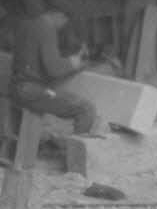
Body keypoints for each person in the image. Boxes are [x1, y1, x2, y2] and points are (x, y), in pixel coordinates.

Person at [9, 8, 101, 137]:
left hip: (18, 87)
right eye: (65, 21)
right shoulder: (46, 26)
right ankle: (74, 154)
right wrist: (74, 62)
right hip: (31, 91)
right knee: (86, 109)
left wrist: (74, 64)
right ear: (60, 15)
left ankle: (64, 147)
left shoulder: (27, 24)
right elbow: (54, 70)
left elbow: (37, 63)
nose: (63, 26)